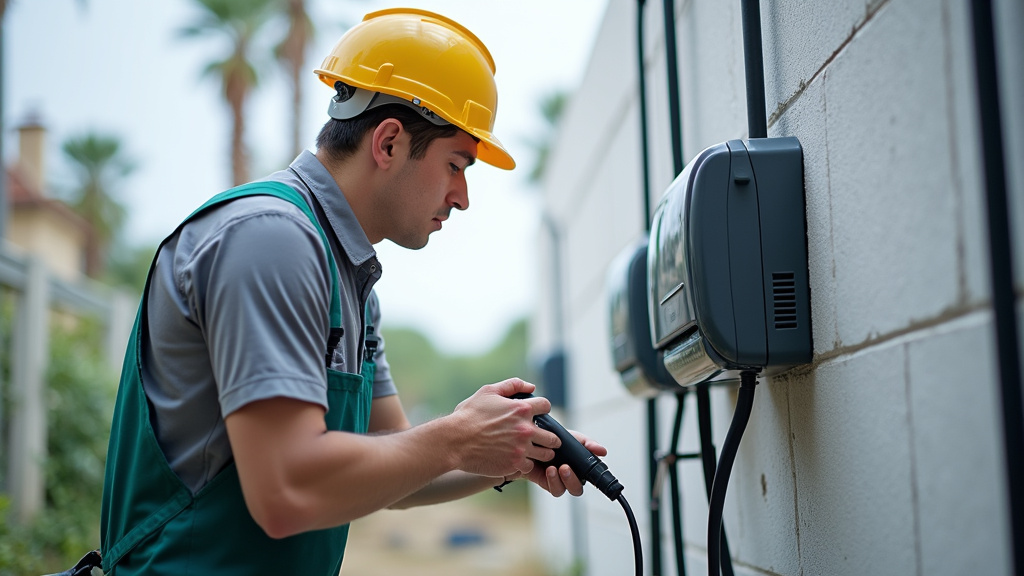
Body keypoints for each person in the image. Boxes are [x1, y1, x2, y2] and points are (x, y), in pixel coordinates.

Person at [97, 8, 606, 575]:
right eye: (456, 164)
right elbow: (286, 488)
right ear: (388, 142)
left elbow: (395, 465)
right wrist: (455, 437)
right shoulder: (270, 239)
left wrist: (502, 454)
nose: (462, 197)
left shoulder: (350, 279)